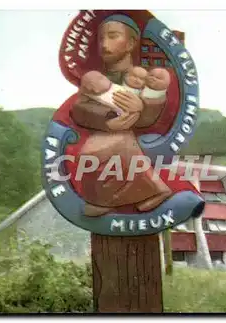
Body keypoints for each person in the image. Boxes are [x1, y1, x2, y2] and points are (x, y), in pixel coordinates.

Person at [70, 16, 172, 216]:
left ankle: (107, 200)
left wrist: (143, 106)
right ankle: (153, 190)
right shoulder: (96, 80)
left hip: (124, 135)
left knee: (101, 155)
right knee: (91, 157)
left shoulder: (142, 77)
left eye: (113, 36)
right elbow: (79, 110)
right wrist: (107, 120)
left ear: (131, 43)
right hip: (108, 131)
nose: (104, 45)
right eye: (100, 39)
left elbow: (151, 116)